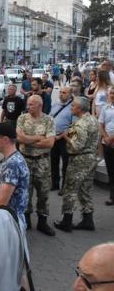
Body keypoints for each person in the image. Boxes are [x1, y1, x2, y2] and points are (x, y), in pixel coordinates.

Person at [55, 97, 100, 232]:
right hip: (91, 157)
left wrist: (65, 137)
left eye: (73, 106)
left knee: (70, 189)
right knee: (85, 189)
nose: (71, 108)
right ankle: (88, 220)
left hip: (79, 159)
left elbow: (76, 146)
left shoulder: (80, 124)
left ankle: (66, 221)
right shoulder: (91, 119)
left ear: (80, 109)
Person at [16, 95, 56, 236]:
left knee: (43, 192)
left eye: (31, 104)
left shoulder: (48, 120)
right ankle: (26, 220)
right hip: (25, 160)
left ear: (39, 105)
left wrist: (27, 140)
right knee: (25, 191)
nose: (28, 107)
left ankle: (42, 222)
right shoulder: (22, 118)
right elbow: (19, 137)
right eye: (28, 104)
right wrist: (39, 138)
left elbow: (50, 143)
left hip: (42, 162)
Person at [0, 122, 30, 228]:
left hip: (9, 221)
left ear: (5, 140)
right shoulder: (14, 158)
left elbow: (2, 201)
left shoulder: (12, 164)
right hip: (11, 218)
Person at [50, 86, 74, 191]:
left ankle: (65, 186)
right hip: (53, 138)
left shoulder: (73, 107)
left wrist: (60, 136)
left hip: (65, 139)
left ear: (69, 95)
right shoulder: (55, 104)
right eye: (60, 92)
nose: (61, 94)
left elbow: (74, 127)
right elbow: (50, 119)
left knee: (66, 164)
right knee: (53, 162)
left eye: (64, 92)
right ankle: (55, 184)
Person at [99, 86, 114, 206]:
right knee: (110, 171)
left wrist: (111, 138)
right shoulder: (105, 108)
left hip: (111, 141)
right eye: (111, 93)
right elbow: (101, 125)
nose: (112, 95)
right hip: (107, 143)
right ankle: (112, 197)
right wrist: (105, 138)